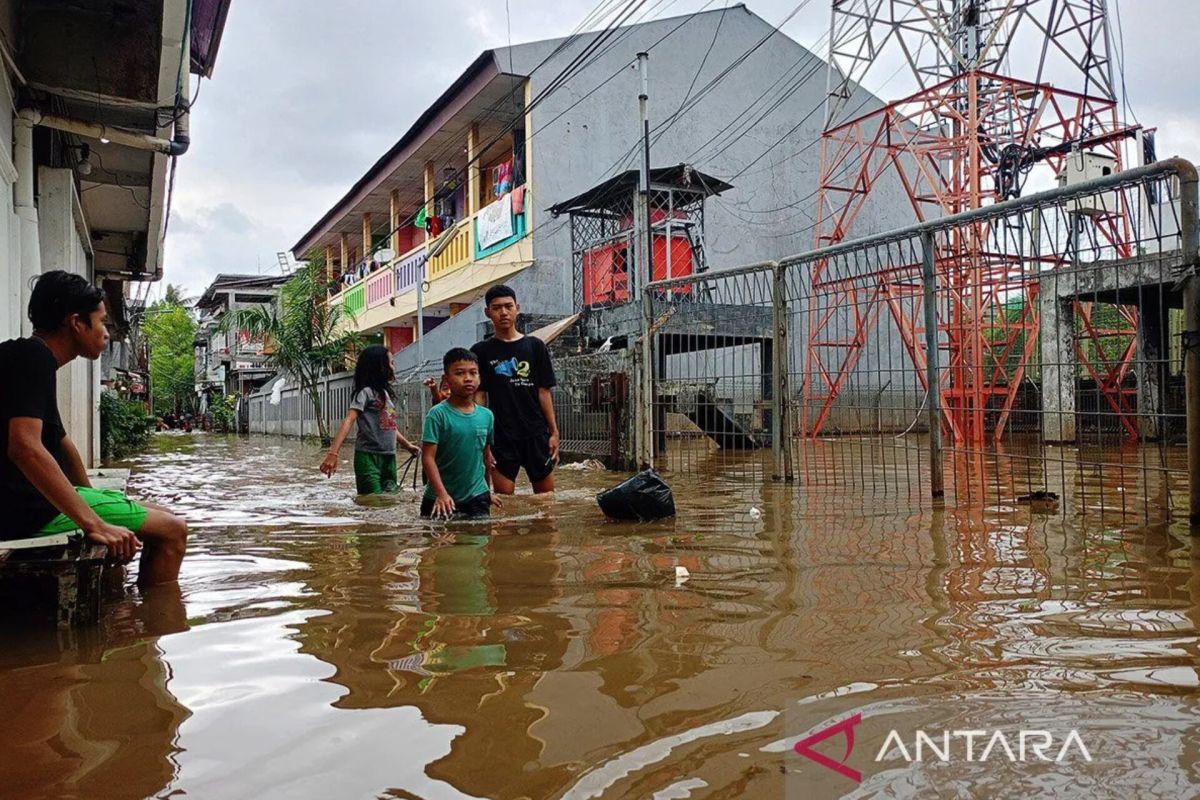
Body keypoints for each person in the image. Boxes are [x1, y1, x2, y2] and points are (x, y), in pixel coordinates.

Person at [0, 270, 188, 586]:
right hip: (21, 513)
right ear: (76, 322)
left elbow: (60, 442)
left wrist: (88, 496)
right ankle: (154, 623)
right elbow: (25, 448)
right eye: (101, 322)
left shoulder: (26, 357)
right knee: (173, 530)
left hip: (19, 504)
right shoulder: (33, 359)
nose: (105, 333)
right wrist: (94, 524)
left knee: (156, 511)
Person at [469, 284, 560, 495]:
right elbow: (479, 395)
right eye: (497, 307)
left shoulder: (535, 346)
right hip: (501, 435)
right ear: (487, 312)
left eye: (508, 306)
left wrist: (554, 432)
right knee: (504, 504)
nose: (503, 312)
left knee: (546, 503)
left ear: (517, 308)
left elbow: (543, 392)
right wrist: (481, 437)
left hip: (536, 433)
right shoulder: (480, 351)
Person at [321, 344, 421, 494]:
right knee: (371, 500)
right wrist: (333, 453)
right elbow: (349, 420)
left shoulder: (386, 395)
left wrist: (407, 446)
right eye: (391, 363)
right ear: (380, 367)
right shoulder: (365, 393)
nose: (394, 367)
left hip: (389, 456)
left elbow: (390, 426)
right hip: (368, 457)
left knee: (390, 500)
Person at [420, 348, 501, 519]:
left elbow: (485, 457)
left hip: (476, 496)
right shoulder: (437, 414)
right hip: (438, 498)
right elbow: (427, 458)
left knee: (481, 542)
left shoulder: (487, 416)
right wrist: (441, 494)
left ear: (479, 377)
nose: (468, 378)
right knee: (438, 543)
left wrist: (487, 492)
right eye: (460, 373)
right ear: (446, 379)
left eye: (473, 373)